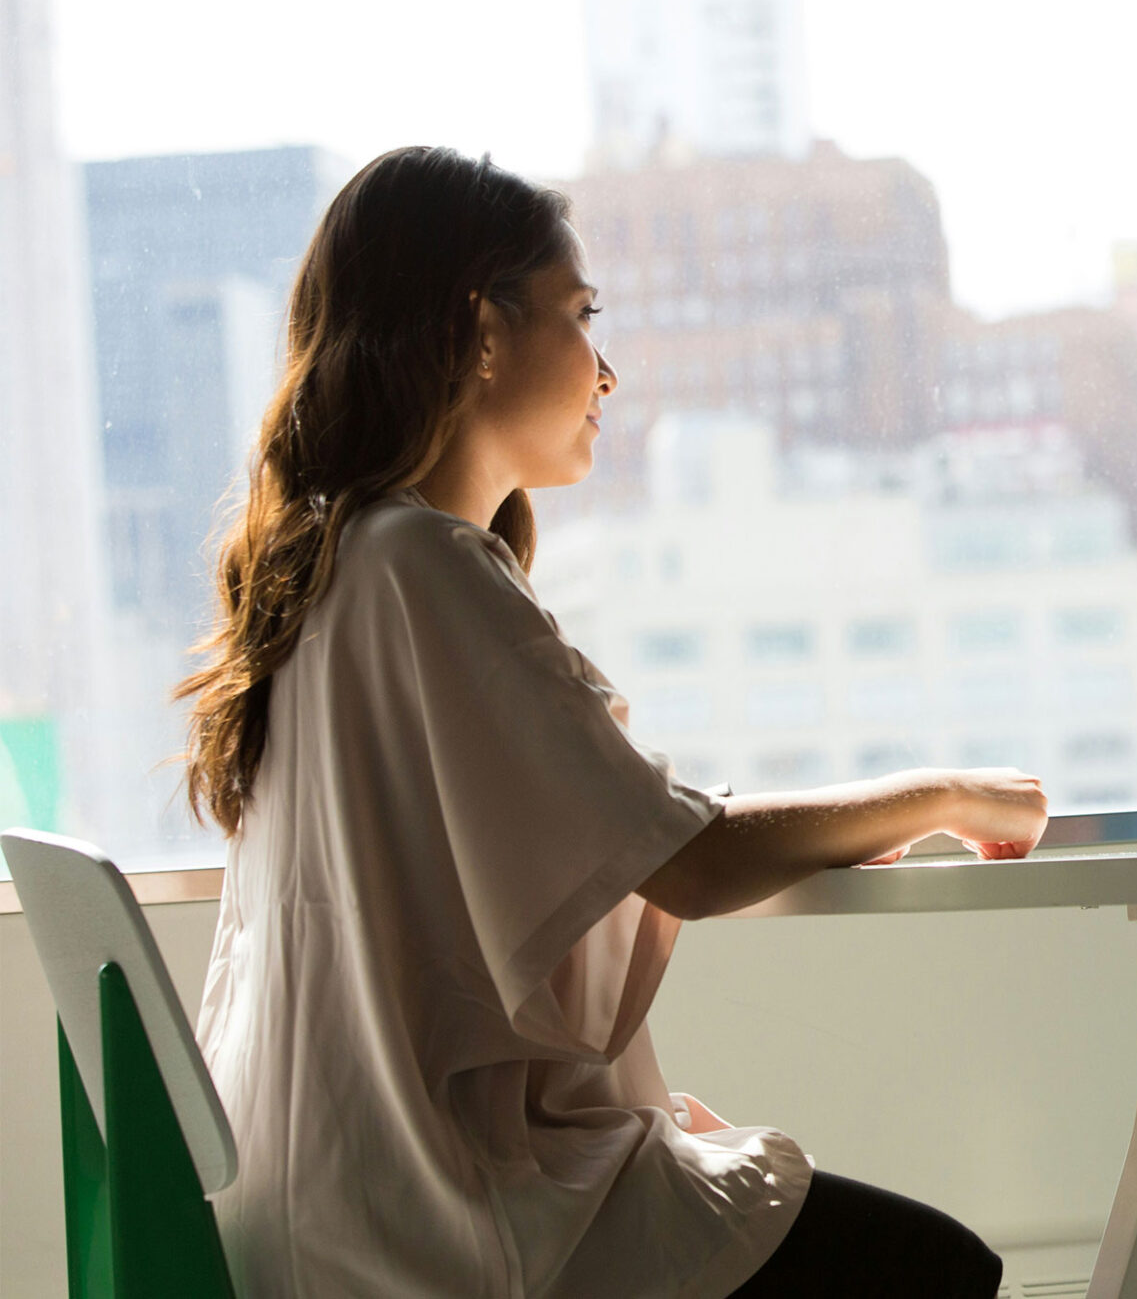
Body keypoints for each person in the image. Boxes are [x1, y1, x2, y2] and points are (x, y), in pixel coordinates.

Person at [179, 146, 1047, 1299]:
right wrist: (948, 794)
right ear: (481, 330)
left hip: (330, 1204)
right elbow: (687, 856)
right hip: (439, 1220)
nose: (610, 371)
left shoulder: (337, 568)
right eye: (582, 316)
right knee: (935, 1269)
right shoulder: (417, 565)